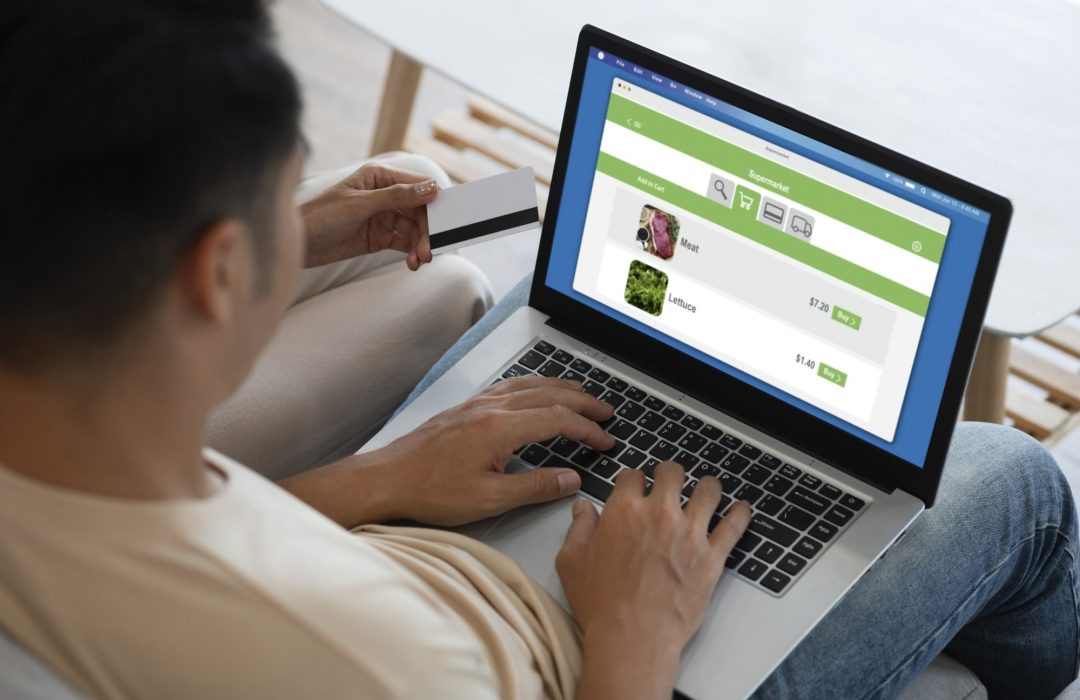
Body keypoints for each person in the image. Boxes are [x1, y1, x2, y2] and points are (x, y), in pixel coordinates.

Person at [0, 2, 1075, 699]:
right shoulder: (379, 663)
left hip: (403, 535)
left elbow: (197, 540)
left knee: (559, 318)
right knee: (1013, 477)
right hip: (595, 647)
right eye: (279, 209)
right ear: (215, 274)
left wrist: (384, 476)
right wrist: (635, 628)